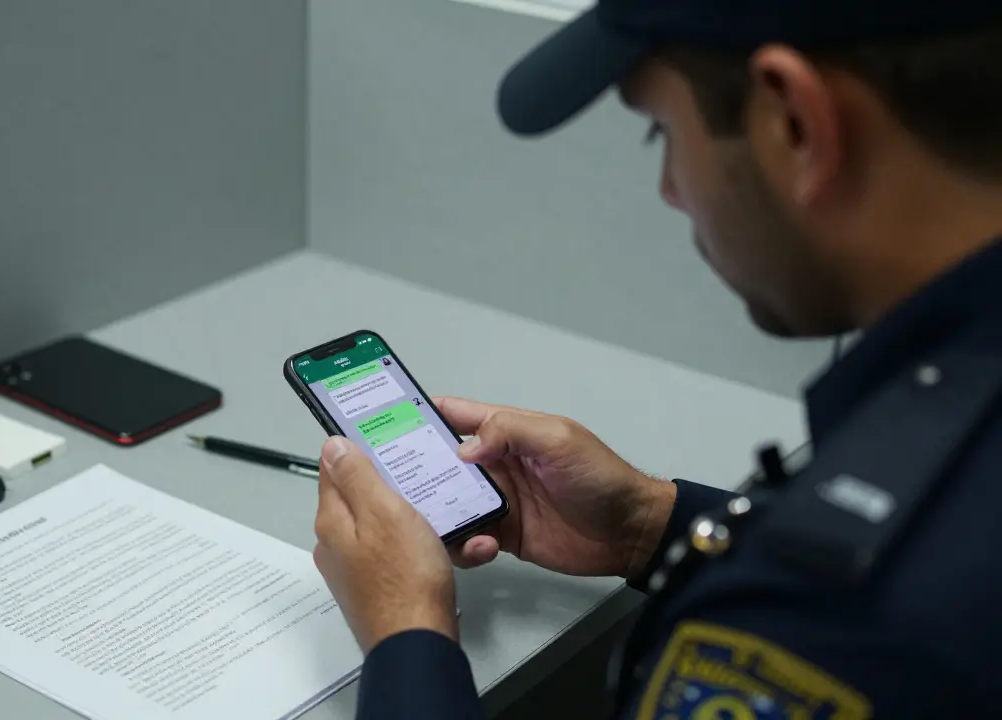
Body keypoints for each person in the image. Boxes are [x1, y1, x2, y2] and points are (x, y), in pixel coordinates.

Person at [310, 0, 1002, 717]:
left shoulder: (837, 628)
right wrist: (651, 523)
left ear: (794, 123)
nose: (672, 190)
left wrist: (407, 637)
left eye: (661, 133)